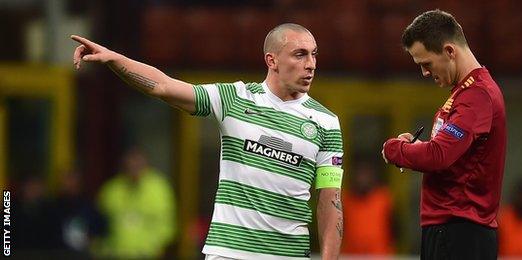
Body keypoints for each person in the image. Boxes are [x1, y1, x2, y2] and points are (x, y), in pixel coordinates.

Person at [71, 23, 344, 260]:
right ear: (271, 61)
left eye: (314, 54)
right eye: (300, 54)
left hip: (289, 253)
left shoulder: (326, 123)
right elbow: (163, 86)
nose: (311, 63)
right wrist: (114, 59)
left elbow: (329, 201)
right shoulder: (235, 99)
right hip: (229, 252)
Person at [381, 10, 507, 260]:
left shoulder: (476, 96)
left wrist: (393, 149)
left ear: (449, 51)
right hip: (454, 231)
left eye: (426, 64)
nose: (425, 73)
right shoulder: (466, 93)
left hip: (460, 234)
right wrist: (418, 147)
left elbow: (438, 155)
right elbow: (449, 152)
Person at [95, 147, 176, 258]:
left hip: (146, 254)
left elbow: (167, 223)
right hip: (115, 254)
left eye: (138, 163)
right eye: (130, 164)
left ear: (146, 164)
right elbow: (99, 223)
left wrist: (156, 246)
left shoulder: (158, 188)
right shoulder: (112, 190)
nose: (134, 167)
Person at [342, 160, 395, 256]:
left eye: (366, 173)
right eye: (360, 174)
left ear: (374, 176)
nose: (363, 178)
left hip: (379, 255)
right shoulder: (345, 200)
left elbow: (396, 230)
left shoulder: (384, 199)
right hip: (351, 256)